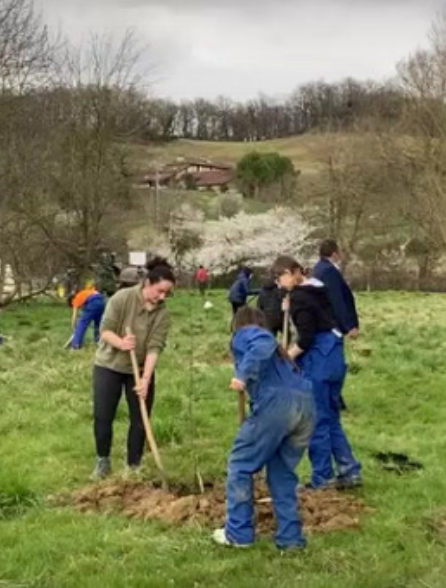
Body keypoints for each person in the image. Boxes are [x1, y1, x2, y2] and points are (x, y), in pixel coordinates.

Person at [213, 306, 315, 550]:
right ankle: (290, 540)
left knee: (240, 465)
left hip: (277, 406)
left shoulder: (249, 332)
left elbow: (261, 341)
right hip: (306, 406)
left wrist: (242, 374)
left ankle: (238, 534)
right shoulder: (280, 355)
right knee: (281, 474)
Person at [272, 255, 362, 490]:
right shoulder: (318, 291)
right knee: (332, 417)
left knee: (317, 421)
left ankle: (322, 478)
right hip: (335, 359)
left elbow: (306, 338)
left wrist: (287, 357)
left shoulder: (300, 298)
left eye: (280, 277)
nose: (279, 283)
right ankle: (349, 469)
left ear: (293, 272)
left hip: (319, 363)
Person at [91, 257, 175, 480]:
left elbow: (155, 348)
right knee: (103, 416)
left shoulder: (163, 314)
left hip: (139, 369)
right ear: (147, 283)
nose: (162, 297)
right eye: (159, 291)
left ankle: (134, 466)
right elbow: (105, 330)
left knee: (140, 419)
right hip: (109, 366)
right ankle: (103, 462)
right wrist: (121, 343)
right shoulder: (122, 298)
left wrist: (145, 379)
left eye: (167, 293)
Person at [312, 240, 359, 339]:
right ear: (334, 254)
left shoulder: (317, 268)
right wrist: (349, 326)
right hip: (332, 326)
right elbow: (337, 300)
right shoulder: (329, 271)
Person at [70, 282, 106, 349]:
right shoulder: (84, 293)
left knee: (82, 323)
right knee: (98, 323)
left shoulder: (76, 299)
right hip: (102, 301)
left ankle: (76, 344)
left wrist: (74, 327)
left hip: (93, 301)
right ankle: (98, 341)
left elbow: (74, 316)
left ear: (72, 300)